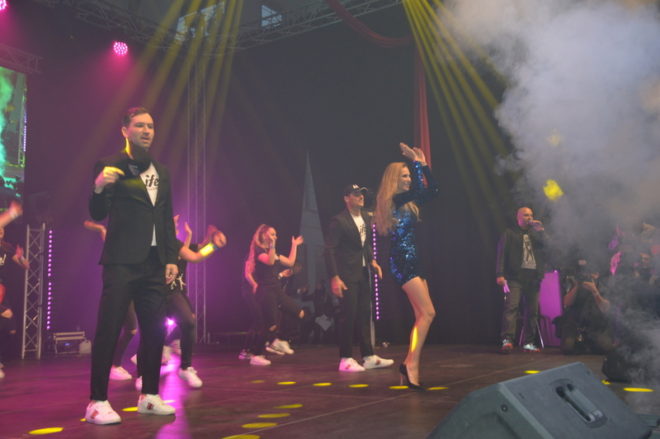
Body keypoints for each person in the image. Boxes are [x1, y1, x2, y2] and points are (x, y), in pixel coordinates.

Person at [86, 107, 179, 425]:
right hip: (122, 261)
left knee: (155, 329)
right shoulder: (110, 165)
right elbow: (98, 212)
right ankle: (97, 402)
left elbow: (165, 218)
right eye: (140, 125)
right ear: (125, 130)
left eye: (151, 126)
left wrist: (171, 257)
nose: (147, 130)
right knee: (109, 328)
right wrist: (99, 186)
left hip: (153, 263)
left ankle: (149, 395)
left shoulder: (162, 171)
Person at [374, 143, 439, 389]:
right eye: (404, 176)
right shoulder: (393, 200)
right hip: (402, 260)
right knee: (428, 313)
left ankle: (410, 364)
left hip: (414, 259)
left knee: (423, 315)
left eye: (409, 176)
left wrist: (423, 165)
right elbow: (424, 189)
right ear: (394, 179)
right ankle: (411, 363)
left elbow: (433, 190)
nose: (409, 179)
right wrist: (416, 163)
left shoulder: (408, 201)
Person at [325, 184, 393, 372]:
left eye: (362, 194)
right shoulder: (339, 221)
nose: (361, 197)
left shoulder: (364, 217)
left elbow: (365, 244)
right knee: (348, 315)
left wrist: (372, 261)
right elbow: (329, 250)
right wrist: (334, 277)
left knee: (364, 314)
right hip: (346, 274)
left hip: (362, 272)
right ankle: (345, 358)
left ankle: (368, 356)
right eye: (356, 194)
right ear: (346, 198)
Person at [244, 225, 304, 366]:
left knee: (299, 312)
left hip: (277, 290)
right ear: (263, 235)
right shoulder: (259, 252)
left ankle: (280, 340)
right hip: (266, 291)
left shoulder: (273, 252)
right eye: (272, 234)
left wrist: (294, 245)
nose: (275, 237)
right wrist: (272, 245)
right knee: (270, 326)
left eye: (275, 234)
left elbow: (290, 262)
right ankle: (257, 354)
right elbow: (270, 261)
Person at [496, 206, 547, 354]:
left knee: (532, 311)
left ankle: (528, 342)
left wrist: (541, 231)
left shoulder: (536, 234)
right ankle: (507, 340)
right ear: (518, 217)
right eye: (525, 215)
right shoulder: (509, 233)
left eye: (531, 215)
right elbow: (501, 254)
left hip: (533, 278)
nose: (529, 217)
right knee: (511, 307)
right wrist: (500, 274)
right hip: (515, 277)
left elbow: (547, 247)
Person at [560, 261, 613, 355]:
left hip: (596, 326)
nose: (589, 277)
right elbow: (566, 302)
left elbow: (605, 308)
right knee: (568, 347)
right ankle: (583, 345)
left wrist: (595, 292)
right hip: (576, 325)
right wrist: (577, 286)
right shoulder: (575, 284)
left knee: (606, 347)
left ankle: (588, 345)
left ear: (597, 275)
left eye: (592, 274)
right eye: (586, 274)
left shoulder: (604, 286)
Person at [0, 202, 27, 380]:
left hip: (2, 290)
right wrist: (12, 213)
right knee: (6, 317)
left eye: (2, 229)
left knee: (11, 329)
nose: (1, 230)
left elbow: (25, 265)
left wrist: (21, 257)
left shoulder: (5, 247)